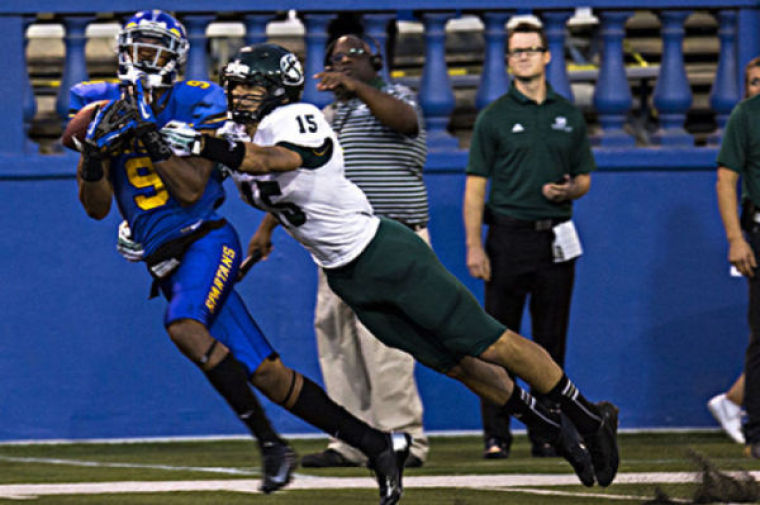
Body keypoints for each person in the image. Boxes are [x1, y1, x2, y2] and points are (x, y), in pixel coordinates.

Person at [160, 42, 620, 488]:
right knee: (455, 365)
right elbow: (264, 184)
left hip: (383, 254)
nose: (238, 96)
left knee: (489, 341)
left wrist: (207, 147)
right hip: (347, 274)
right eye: (235, 87)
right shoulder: (241, 133)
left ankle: (586, 415)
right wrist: (260, 230)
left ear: (279, 89)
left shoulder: (293, 118)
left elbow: (275, 160)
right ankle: (549, 427)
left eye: (249, 88)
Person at [71, 11, 410, 505]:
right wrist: (95, 156)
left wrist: (148, 134)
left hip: (205, 238)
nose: (144, 59)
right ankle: (378, 446)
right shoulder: (94, 103)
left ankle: (272, 447)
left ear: (176, 57)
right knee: (268, 373)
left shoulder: (197, 100)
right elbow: (96, 208)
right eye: (137, 48)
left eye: (155, 49)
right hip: (164, 260)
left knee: (185, 325)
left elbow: (190, 191)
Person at [463, 21, 594, 460]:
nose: (523, 57)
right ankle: (496, 434)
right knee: (496, 342)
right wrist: (474, 245)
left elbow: (584, 178)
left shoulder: (567, 113)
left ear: (546, 56)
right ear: (508, 61)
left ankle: (548, 432)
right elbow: (475, 186)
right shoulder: (495, 116)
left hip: (554, 238)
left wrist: (569, 190)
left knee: (550, 341)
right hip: (507, 236)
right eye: (515, 51)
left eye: (530, 49)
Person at [298, 33, 429, 469]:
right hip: (336, 242)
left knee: (384, 341)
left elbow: (406, 122)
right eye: (335, 58)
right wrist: (264, 231)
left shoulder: (396, 95)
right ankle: (352, 441)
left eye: (352, 55)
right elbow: (303, 179)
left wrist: (357, 88)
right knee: (335, 339)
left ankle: (403, 438)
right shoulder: (327, 116)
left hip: (390, 235)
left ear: (376, 59)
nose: (342, 63)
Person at [707, 55, 760, 445]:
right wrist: (735, 238)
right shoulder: (747, 116)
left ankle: (733, 402)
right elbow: (726, 179)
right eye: (754, 81)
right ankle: (757, 428)